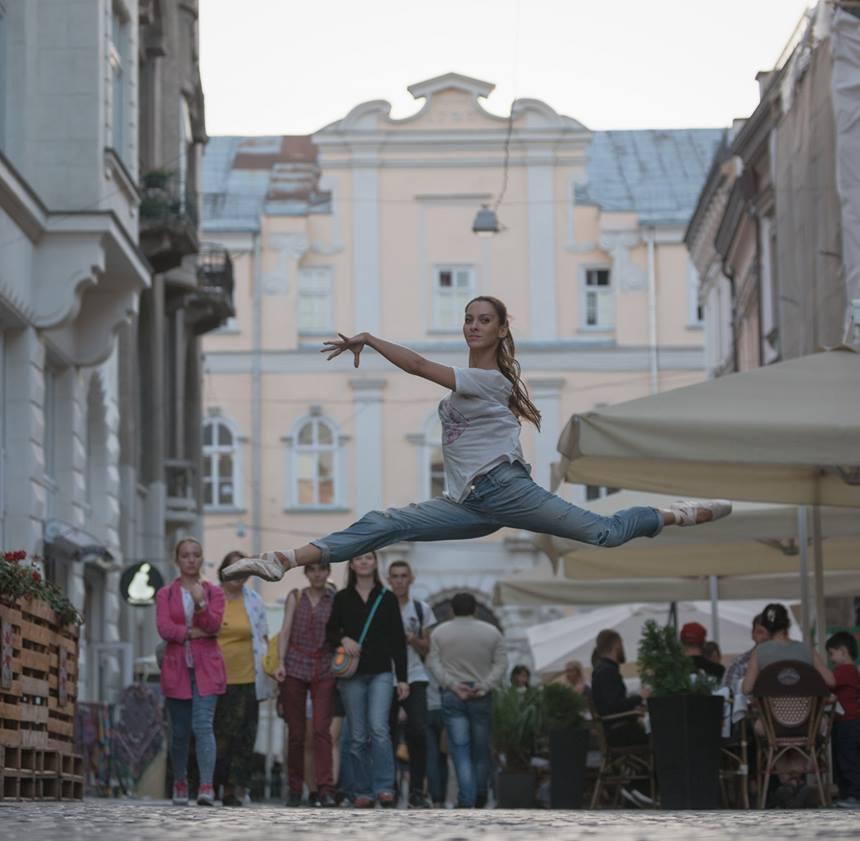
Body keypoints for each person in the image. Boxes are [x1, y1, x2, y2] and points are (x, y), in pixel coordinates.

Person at [222, 296, 732, 586]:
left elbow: (418, 365)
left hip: (504, 489)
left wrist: (371, 339)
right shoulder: (472, 385)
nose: (473, 326)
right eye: (468, 319)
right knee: (387, 523)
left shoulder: (491, 381)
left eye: (484, 320)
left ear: (502, 330)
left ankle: (676, 514)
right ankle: (283, 559)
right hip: (470, 503)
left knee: (604, 534)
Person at [327, 552, 408, 808]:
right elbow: (330, 631)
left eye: (369, 558)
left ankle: (385, 788)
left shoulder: (386, 597)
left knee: (379, 728)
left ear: (375, 563)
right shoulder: (342, 597)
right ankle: (362, 791)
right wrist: (343, 639)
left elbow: (398, 640)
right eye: (359, 558)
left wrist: (403, 679)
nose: (364, 562)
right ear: (351, 564)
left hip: (381, 672)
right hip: (352, 675)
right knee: (358, 735)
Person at [741, 603, 835, 807]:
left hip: (773, 725)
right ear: (788, 624)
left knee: (768, 733)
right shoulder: (806, 649)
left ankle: (788, 785)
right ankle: (796, 784)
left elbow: (746, 688)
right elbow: (831, 681)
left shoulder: (760, 652)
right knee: (804, 738)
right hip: (808, 724)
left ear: (766, 627)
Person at [155, 537, 226, 806]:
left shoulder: (213, 592)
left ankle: (206, 785)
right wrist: (191, 633)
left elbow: (214, 626)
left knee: (203, 726)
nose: (191, 560)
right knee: (180, 732)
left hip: (207, 668)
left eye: (195, 554)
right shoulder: (165, 594)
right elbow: (164, 629)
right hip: (177, 669)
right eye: (185, 555)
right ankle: (180, 780)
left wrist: (200, 604)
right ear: (177, 560)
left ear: (202, 559)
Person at [427, 592, 506, 809]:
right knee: (481, 748)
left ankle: (466, 798)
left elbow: (434, 664)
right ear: (476, 609)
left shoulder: (440, 632)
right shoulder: (492, 632)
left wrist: (453, 685)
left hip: (453, 694)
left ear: (452, 610)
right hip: (481, 694)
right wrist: (484, 685)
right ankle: (480, 793)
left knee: (460, 749)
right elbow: (501, 664)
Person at [276, 559, 338, 807]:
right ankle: (295, 788)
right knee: (296, 733)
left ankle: (325, 788)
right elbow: (285, 630)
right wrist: (280, 662)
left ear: (328, 572)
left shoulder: (334, 600)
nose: (317, 574)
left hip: (324, 666)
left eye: (321, 569)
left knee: (322, 730)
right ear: (306, 573)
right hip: (295, 664)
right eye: (312, 570)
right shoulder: (296, 596)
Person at [214, 551, 272, 806]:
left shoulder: (255, 600)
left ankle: (237, 786)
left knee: (245, 736)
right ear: (223, 571)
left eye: (244, 569)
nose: (238, 574)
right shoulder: (211, 597)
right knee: (220, 736)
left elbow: (263, 638)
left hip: (249, 677)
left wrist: (271, 670)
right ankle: (215, 784)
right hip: (216, 679)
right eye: (233, 568)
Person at [385, 560, 437, 808]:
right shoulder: (382, 606)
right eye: (395, 576)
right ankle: (389, 788)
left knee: (418, 731)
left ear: (411, 579)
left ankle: (417, 790)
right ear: (388, 580)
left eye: (403, 576)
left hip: (416, 675)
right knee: (386, 733)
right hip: (387, 677)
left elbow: (428, 648)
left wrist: (412, 639)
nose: (399, 580)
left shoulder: (421, 609)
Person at [590, 629, 651, 808]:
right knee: (660, 742)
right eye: (622, 644)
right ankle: (639, 789)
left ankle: (636, 788)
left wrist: (633, 709)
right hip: (620, 732)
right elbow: (613, 706)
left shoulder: (602, 670)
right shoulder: (608, 671)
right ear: (616, 645)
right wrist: (639, 697)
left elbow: (612, 704)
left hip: (614, 730)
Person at [826, 632, 860, 808]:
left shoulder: (845, 670)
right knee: (843, 758)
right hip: (846, 721)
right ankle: (847, 794)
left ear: (843, 652)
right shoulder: (850, 671)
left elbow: (830, 682)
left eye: (832, 654)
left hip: (847, 721)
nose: (831, 659)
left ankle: (856, 795)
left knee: (849, 758)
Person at [722, 614, 769, 691]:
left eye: (770, 633)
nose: (765, 637)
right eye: (760, 632)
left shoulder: (784, 661)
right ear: (753, 635)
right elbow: (727, 693)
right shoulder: (738, 664)